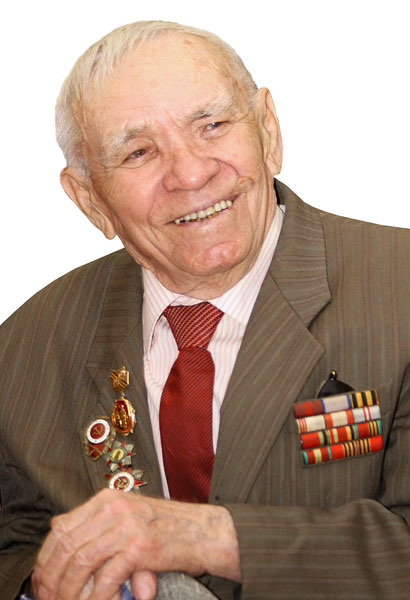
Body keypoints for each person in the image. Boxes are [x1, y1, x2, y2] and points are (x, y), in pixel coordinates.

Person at [0, 19, 409, 600]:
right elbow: (14, 542)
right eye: (138, 152)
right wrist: (47, 584)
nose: (190, 173)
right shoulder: (21, 350)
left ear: (268, 130)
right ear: (90, 199)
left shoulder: (399, 291)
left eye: (212, 125)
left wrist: (208, 538)